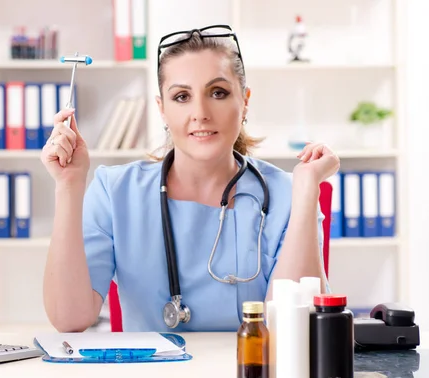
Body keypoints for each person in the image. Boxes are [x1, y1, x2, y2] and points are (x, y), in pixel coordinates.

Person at [40, 25, 340, 333]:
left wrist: (306, 190)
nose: (200, 112)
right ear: (163, 109)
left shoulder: (287, 194)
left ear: (245, 101)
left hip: (254, 375)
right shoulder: (115, 192)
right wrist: (68, 185)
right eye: (182, 96)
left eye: (218, 93)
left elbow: (295, 329)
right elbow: (70, 318)